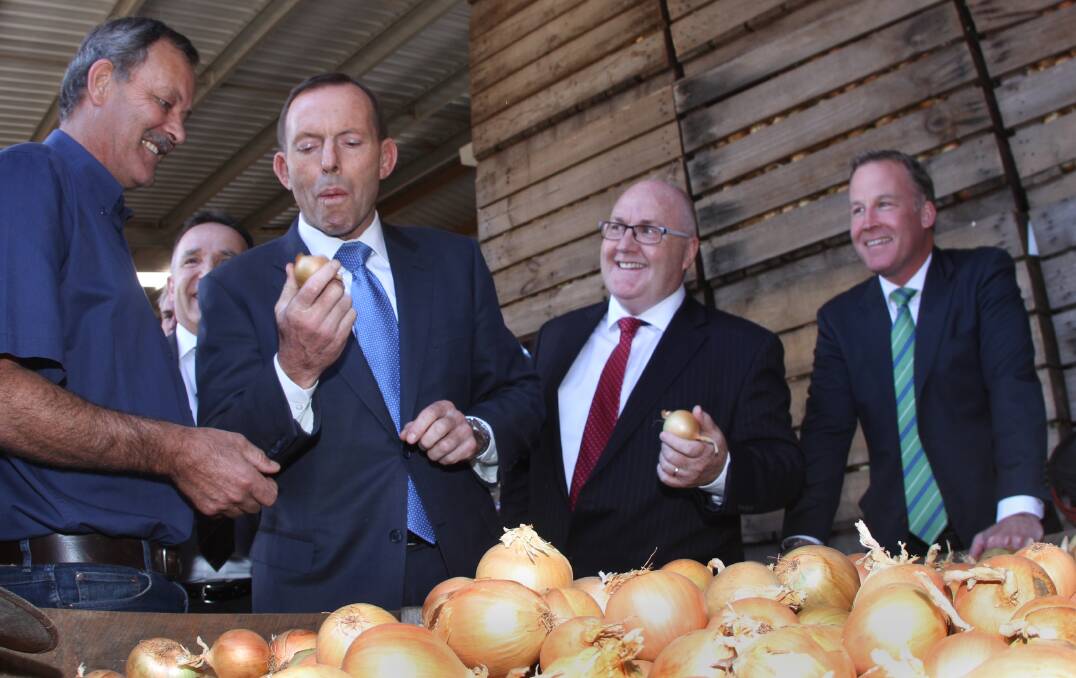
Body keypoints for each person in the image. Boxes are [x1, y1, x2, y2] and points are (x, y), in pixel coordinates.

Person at [196, 72, 543, 612]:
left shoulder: (454, 263)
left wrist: (477, 431)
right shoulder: (233, 288)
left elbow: (521, 393)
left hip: (463, 577)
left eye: (351, 141)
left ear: (385, 158)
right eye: (308, 146)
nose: (329, 162)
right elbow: (222, 450)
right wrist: (294, 368)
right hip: (320, 592)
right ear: (284, 170)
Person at [0, 17, 278, 613]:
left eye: (184, 115)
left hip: (127, 582)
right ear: (101, 81)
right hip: (72, 585)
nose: (177, 130)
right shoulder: (30, 174)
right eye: (165, 103)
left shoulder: (103, 223)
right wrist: (178, 452)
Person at [499, 179, 803, 576]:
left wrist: (719, 470)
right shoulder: (556, 337)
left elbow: (784, 472)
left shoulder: (743, 348)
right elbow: (525, 464)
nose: (625, 245)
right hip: (551, 594)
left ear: (688, 251)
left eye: (647, 231)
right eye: (616, 227)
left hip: (668, 600)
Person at [781, 150, 1052, 559]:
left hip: (996, 531)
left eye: (884, 204)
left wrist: (1018, 510)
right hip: (897, 550)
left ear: (926, 213)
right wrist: (803, 540)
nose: (867, 222)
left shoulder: (982, 277)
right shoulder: (840, 320)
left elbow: (1012, 386)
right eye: (857, 210)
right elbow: (825, 436)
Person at [165, 210, 257, 612]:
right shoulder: (131, 372)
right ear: (171, 285)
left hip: (272, 593)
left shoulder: (293, 373)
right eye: (192, 260)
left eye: (226, 262)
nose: (209, 275)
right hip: (164, 596)